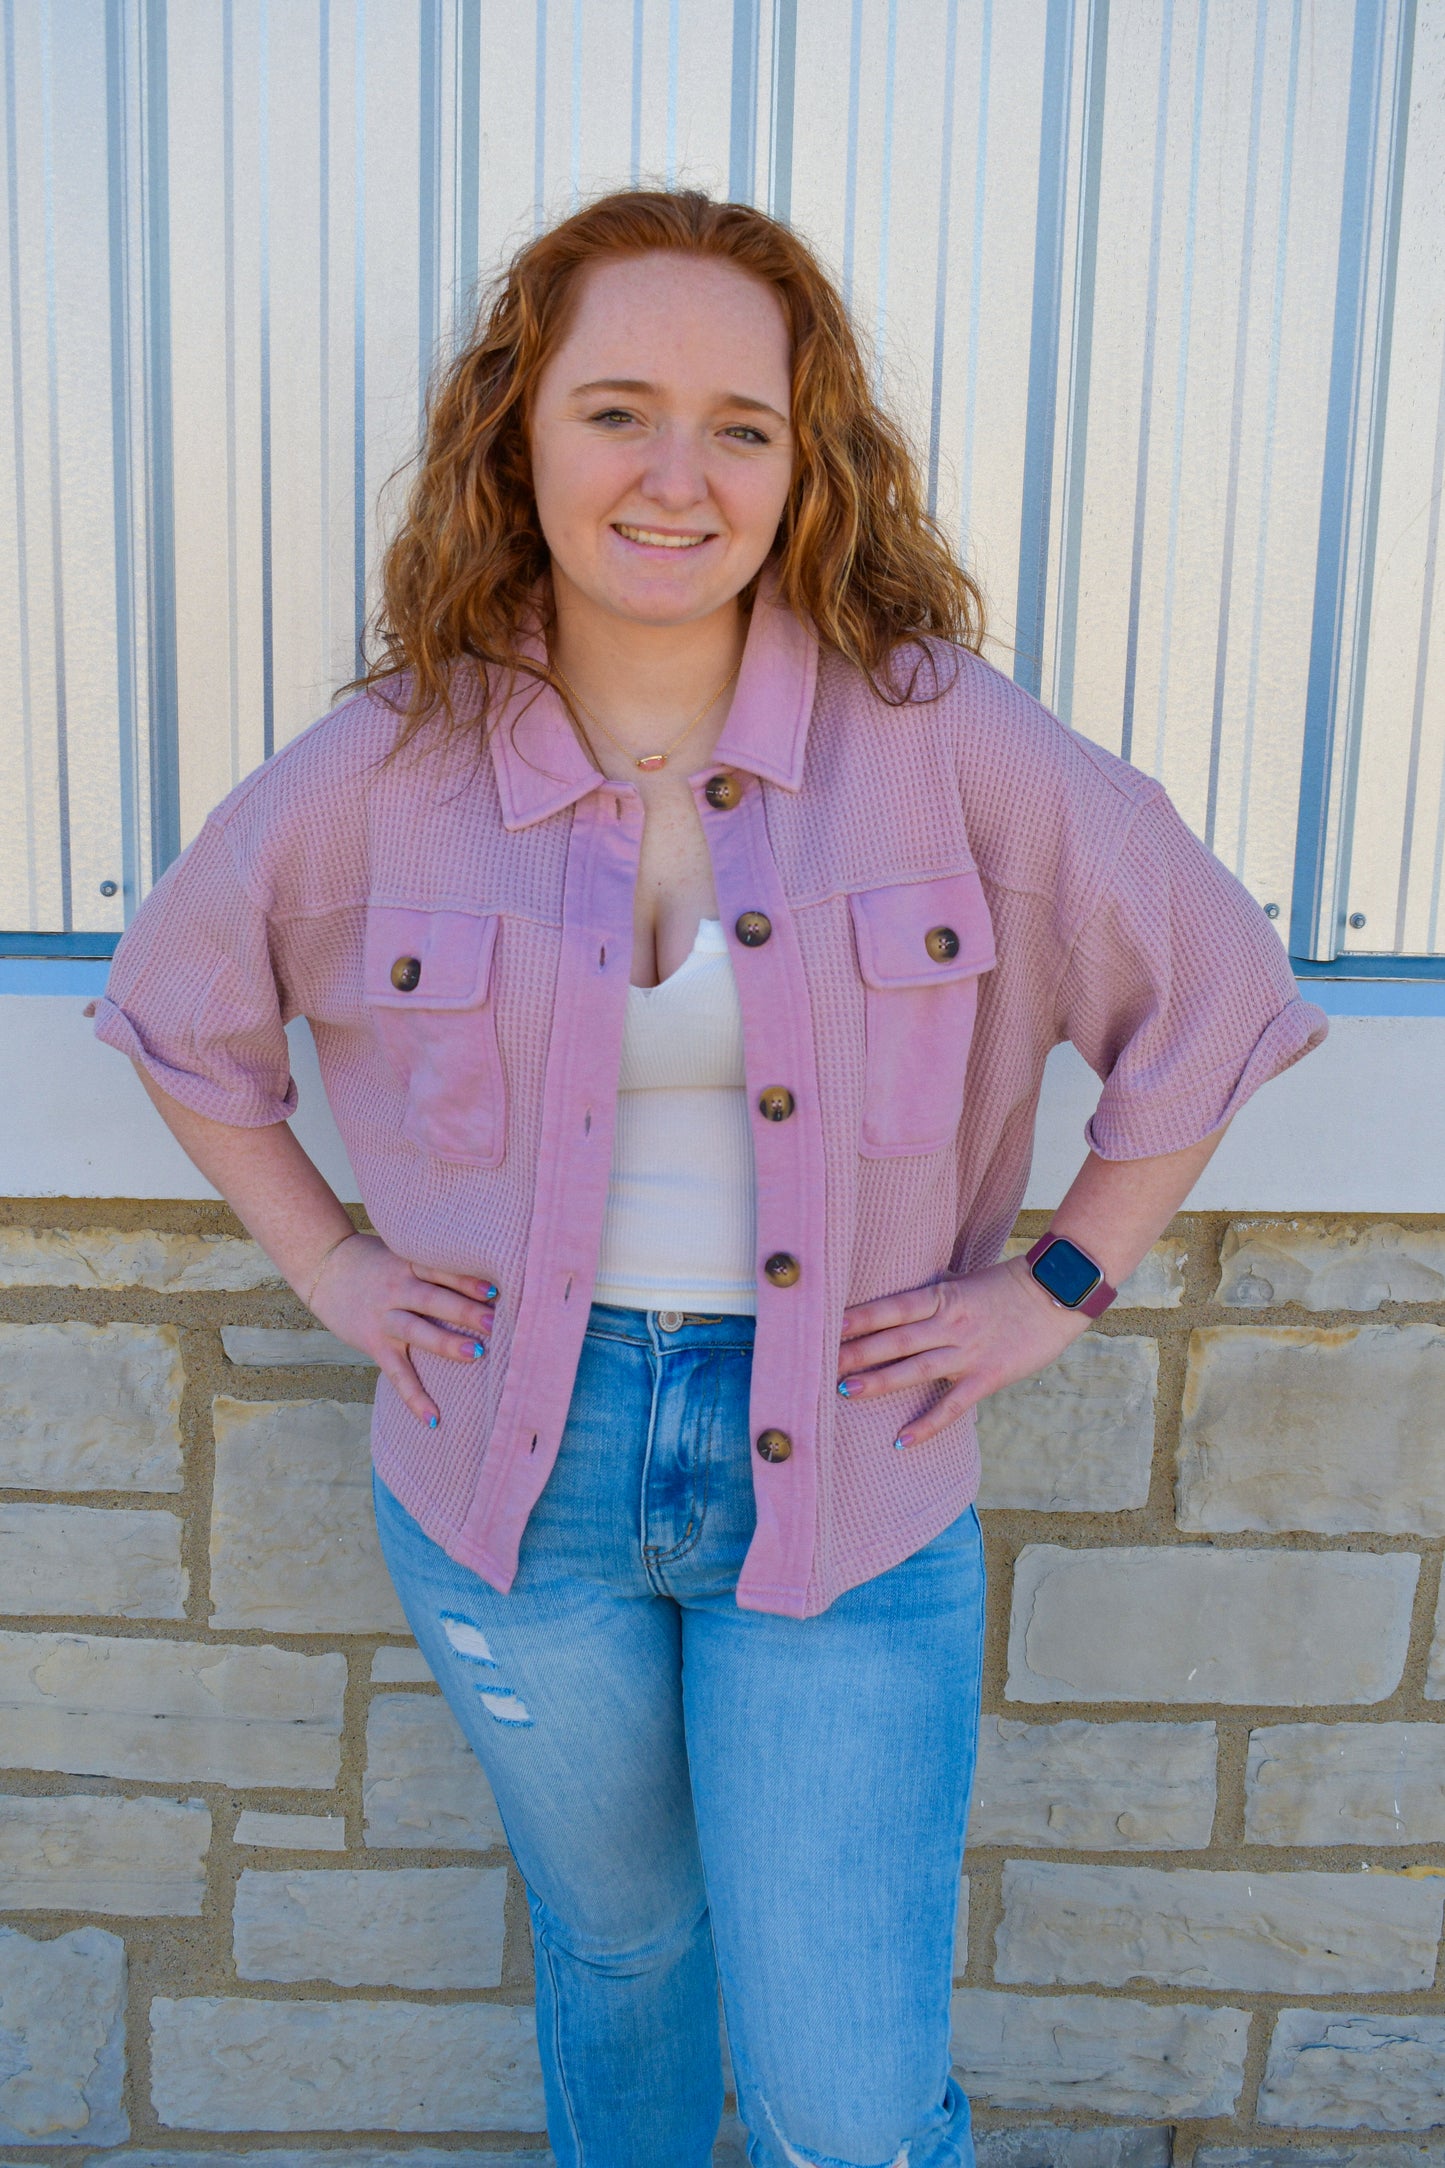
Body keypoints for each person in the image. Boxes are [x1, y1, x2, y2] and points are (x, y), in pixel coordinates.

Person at [92, 188, 1327, 2168]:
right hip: (519, 1475)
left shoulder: (933, 744)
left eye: (740, 425)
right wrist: (327, 1266)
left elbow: (1213, 986)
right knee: (627, 1947)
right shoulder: (394, 762)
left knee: (847, 2097)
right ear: (519, 435)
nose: (677, 475)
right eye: (617, 410)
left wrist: (1064, 1282)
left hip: (847, 1466)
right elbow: (175, 1007)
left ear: (803, 462)